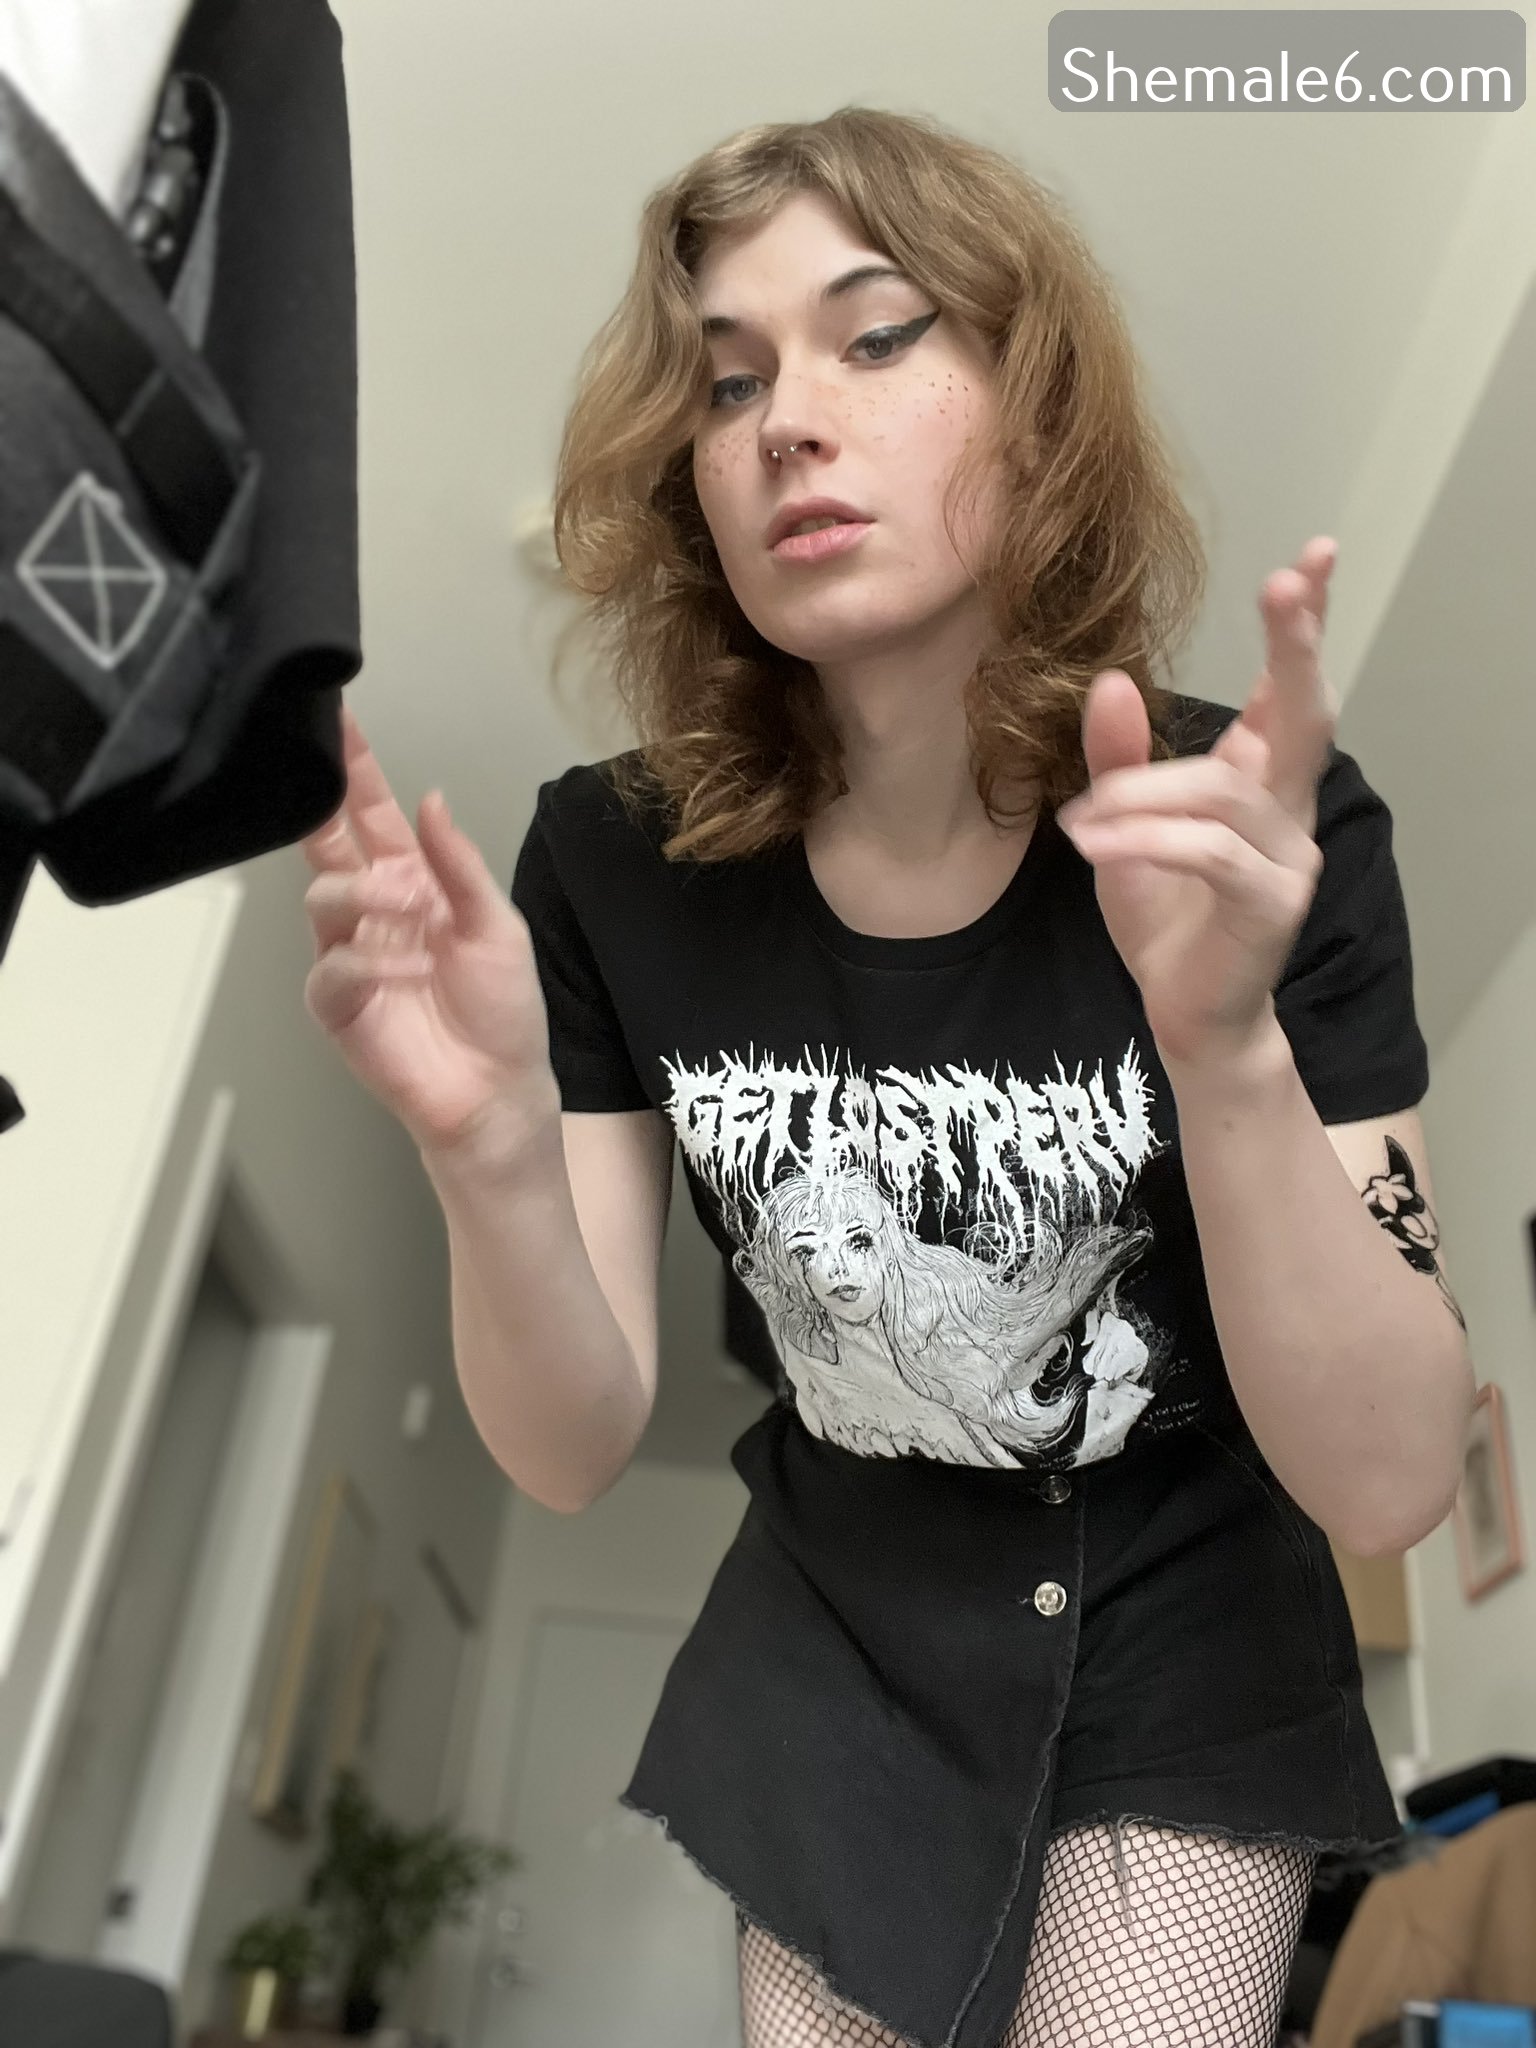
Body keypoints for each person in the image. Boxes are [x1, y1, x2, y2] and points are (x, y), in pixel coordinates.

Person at [299, 107, 1477, 2048]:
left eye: (875, 335)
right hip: (841, 1639)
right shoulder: (609, 864)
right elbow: (568, 1446)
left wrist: (1226, 1051)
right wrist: (488, 1151)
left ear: (1040, 405)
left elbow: (1393, 1474)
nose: (786, 420)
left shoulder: (1249, 830)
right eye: (729, 378)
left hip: (1187, 1620)